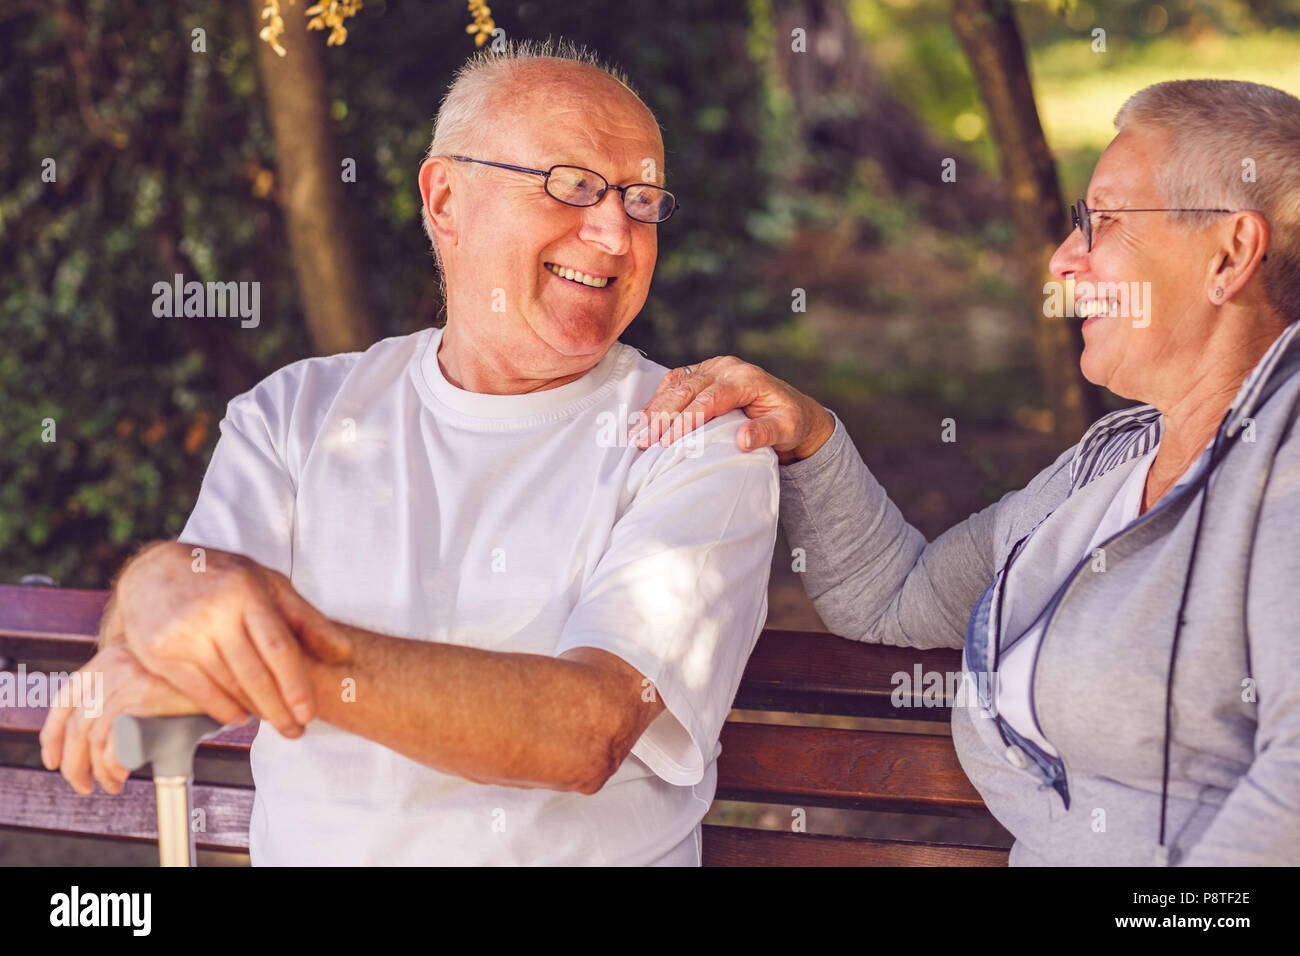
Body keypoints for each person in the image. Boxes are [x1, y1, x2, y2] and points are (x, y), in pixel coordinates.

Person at [40, 41, 780, 866]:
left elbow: (589, 731)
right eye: (571, 185)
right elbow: (186, 609)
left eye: (641, 202)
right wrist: (154, 585)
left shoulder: (704, 439)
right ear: (446, 198)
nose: (613, 233)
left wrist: (283, 654)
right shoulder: (296, 414)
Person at [632, 78, 1300, 866]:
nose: (1064, 259)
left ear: (1230, 255)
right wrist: (811, 438)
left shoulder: (1281, 478)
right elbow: (897, 600)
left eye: (1106, 221)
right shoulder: (1110, 466)